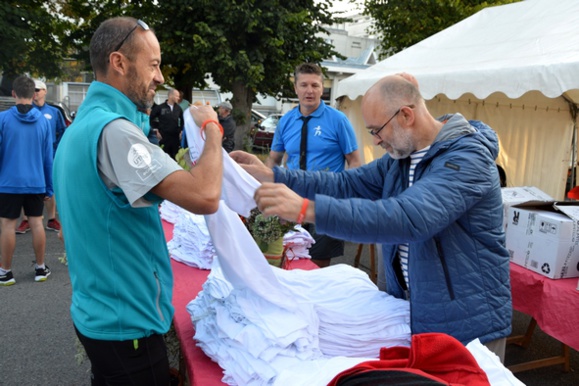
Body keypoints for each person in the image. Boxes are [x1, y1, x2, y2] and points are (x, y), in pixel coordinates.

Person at [231, 73, 512, 360]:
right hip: (416, 315)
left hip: (468, 326)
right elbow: (346, 183)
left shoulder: (467, 158)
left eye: (378, 130)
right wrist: (274, 175)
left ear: (405, 115)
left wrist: (306, 210)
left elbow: (408, 218)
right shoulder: (401, 159)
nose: (376, 141)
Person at [52, 17, 223, 384]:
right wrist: (212, 129)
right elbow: (206, 196)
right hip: (125, 324)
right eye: (154, 64)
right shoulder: (115, 132)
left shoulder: (83, 125)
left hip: (101, 312)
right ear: (119, 62)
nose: (160, 77)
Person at [266, 62, 361, 267]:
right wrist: (266, 189)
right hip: (291, 200)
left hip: (324, 203)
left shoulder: (338, 120)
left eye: (315, 85)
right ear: (295, 88)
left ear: (322, 88)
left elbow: (354, 160)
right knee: (287, 259)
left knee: (316, 266)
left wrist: (345, 197)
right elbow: (273, 160)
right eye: (304, 85)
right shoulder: (286, 121)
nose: (310, 91)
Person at [0, 75, 53, 285]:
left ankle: (5, 271)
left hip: (8, 182)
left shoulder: (3, 119)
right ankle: (40, 268)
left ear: (13, 93)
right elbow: (48, 158)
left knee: (7, 226)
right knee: (37, 223)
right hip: (36, 181)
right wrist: (49, 186)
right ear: (33, 94)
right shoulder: (43, 122)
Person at [15, 79, 68, 234]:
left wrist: (57, 150)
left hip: (48, 155)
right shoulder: (25, 111)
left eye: (38, 90)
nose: (35, 93)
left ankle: (51, 219)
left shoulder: (54, 112)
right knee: (27, 187)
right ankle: (26, 220)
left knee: (50, 186)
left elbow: (63, 132)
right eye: (33, 90)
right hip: (28, 156)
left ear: (45, 91)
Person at [150, 87, 184, 159]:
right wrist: (156, 130)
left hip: (175, 137)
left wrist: (181, 130)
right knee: (164, 156)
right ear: (170, 96)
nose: (178, 98)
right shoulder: (160, 108)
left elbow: (182, 120)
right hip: (163, 137)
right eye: (177, 96)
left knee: (175, 157)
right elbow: (151, 118)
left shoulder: (178, 108)